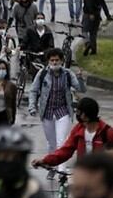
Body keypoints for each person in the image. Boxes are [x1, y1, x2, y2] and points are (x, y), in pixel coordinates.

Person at [27, 48, 87, 178]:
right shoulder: (42, 74)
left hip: (63, 111)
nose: (54, 62)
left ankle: (62, 169)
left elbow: (81, 89)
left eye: (57, 60)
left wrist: (80, 79)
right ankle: (52, 167)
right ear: (48, 61)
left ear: (62, 61)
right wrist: (32, 106)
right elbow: (33, 90)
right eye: (52, 60)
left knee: (62, 141)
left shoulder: (67, 74)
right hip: (47, 112)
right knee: (51, 142)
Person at [31, 97, 113, 169]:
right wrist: (45, 161)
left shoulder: (108, 133)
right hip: (83, 175)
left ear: (86, 115)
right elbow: (66, 150)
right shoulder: (79, 129)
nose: (76, 114)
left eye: (79, 112)